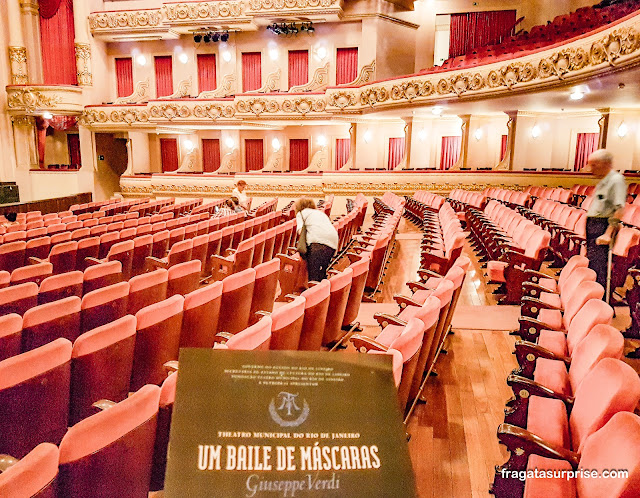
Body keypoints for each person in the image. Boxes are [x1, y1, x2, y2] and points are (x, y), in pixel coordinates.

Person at [585, 149, 627, 290]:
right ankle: (593, 298)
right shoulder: (604, 181)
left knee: (599, 267)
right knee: (593, 264)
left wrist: (608, 233)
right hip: (595, 225)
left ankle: (602, 303)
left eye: (594, 165)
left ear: (605, 163)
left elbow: (619, 209)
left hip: (602, 227)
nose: (591, 169)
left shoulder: (616, 180)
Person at [294, 197, 339, 283]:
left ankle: (314, 292)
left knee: (313, 276)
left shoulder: (301, 213)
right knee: (321, 272)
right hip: (333, 243)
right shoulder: (320, 213)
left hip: (317, 243)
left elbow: (300, 231)